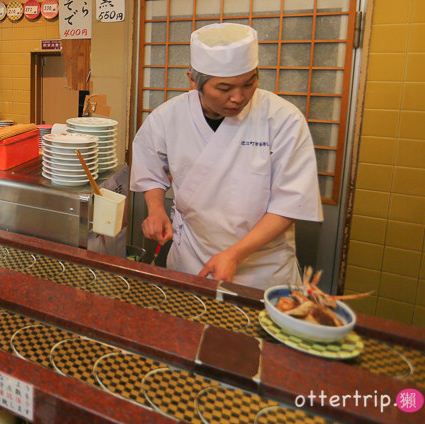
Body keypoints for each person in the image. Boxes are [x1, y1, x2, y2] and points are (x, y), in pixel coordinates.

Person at [130, 22, 322, 290]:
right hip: (192, 256)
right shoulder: (168, 116)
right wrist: (156, 209)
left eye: (249, 83)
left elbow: (291, 202)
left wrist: (234, 254)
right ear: (193, 80)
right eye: (224, 88)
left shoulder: (282, 119)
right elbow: (149, 168)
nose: (239, 97)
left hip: (262, 265)